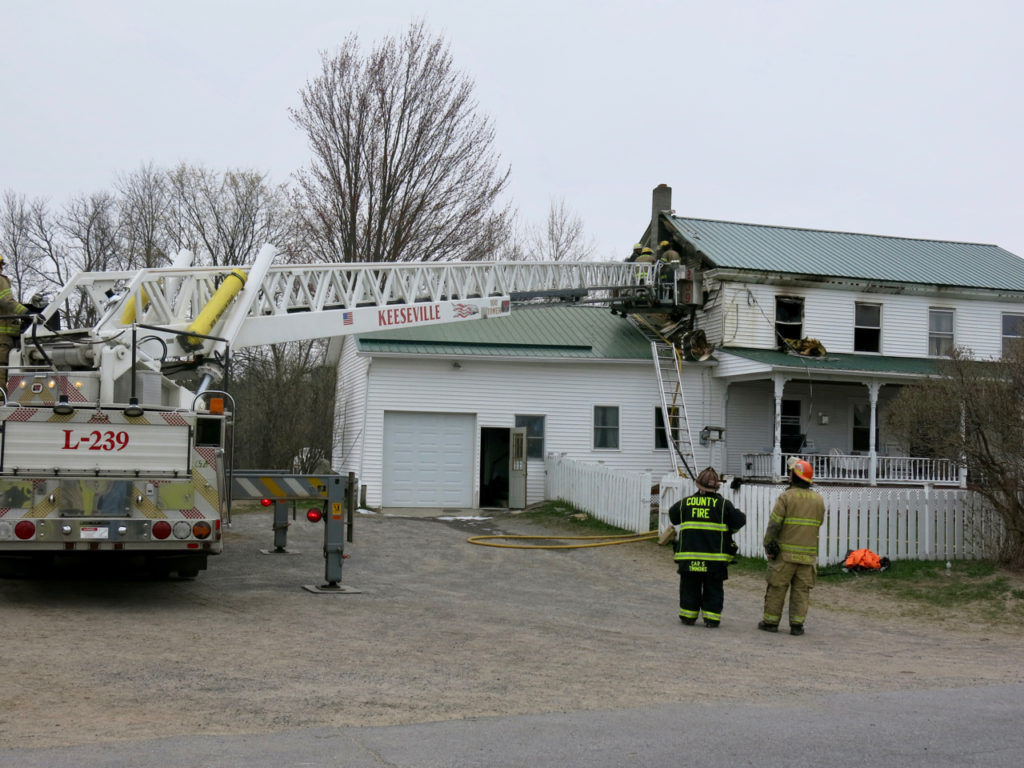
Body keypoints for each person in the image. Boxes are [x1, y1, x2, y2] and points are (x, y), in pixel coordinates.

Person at [668, 467, 746, 628]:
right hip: (714, 561)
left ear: (698, 485)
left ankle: (688, 617)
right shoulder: (723, 505)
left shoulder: (686, 503)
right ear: (716, 487)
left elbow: (673, 516)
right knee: (713, 589)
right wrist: (730, 530)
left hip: (689, 559)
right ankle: (711, 619)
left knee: (689, 587)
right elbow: (739, 520)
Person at [759, 458, 826, 636]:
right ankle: (797, 626)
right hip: (808, 557)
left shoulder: (786, 497)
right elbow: (818, 522)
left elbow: (774, 524)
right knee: (801, 591)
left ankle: (770, 623)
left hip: (785, 556)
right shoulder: (818, 499)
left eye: (790, 472)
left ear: (795, 476)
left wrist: (768, 544)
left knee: (777, 588)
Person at [0, 253, 28, 394]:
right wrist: (26, 313)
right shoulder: (0, 280)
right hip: (2, 335)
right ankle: (1, 395)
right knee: (2, 365)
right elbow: (6, 301)